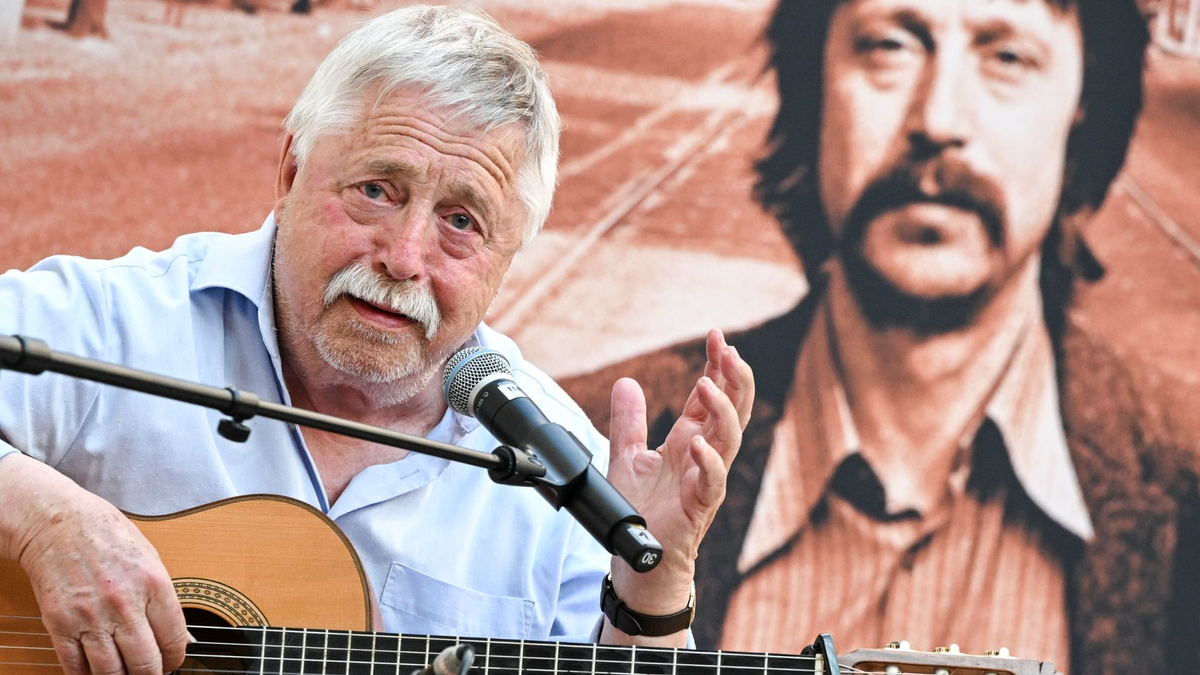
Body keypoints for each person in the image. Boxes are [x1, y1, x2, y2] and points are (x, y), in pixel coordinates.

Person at [0, 6, 755, 675]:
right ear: (291, 169)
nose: (404, 256)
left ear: (511, 252)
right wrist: (42, 518)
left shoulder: (565, 479)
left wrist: (650, 591)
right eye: (376, 190)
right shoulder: (119, 322)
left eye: (462, 221)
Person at [563, 1, 1199, 674]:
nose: (939, 120)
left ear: (1085, 103)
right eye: (891, 46)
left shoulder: (1183, 485)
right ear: (816, 85)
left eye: (1007, 58)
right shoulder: (581, 448)